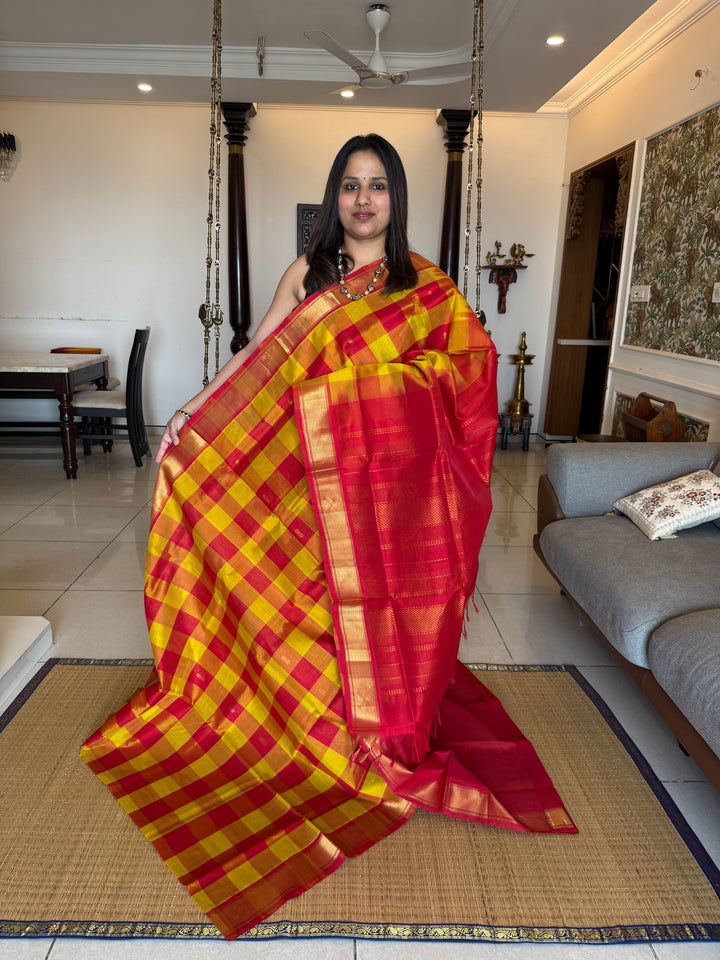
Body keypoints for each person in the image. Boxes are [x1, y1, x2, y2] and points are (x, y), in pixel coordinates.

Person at [82, 134, 576, 941]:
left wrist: (363, 398)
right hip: (303, 486)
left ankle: (368, 731)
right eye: (350, 185)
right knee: (309, 612)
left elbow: (468, 375)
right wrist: (191, 415)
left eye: (378, 186)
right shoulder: (306, 278)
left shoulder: (427, 289)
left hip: (378, 501)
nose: (363, 200)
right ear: (334, 196)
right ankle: (302, 727)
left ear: (396, 199)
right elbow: (255, 362)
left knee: (365, 615)